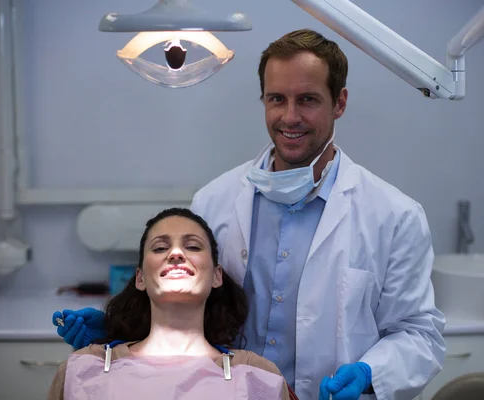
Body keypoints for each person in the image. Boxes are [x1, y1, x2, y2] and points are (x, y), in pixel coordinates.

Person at [52, 29, 446, 400]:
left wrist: (369, 373)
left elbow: (418, 335)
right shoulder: (214, 200)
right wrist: (119, 328)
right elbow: (191, 307)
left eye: (307, 99)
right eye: (277, 99)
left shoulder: (394, 217)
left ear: (339, 102)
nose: (289, 117)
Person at [49, 208, 294, 400]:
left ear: (216, 276)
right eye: (160, 247)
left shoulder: (257, 375)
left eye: (193, 246)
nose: (176, 253)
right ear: (141, 278)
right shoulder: (83, 369)